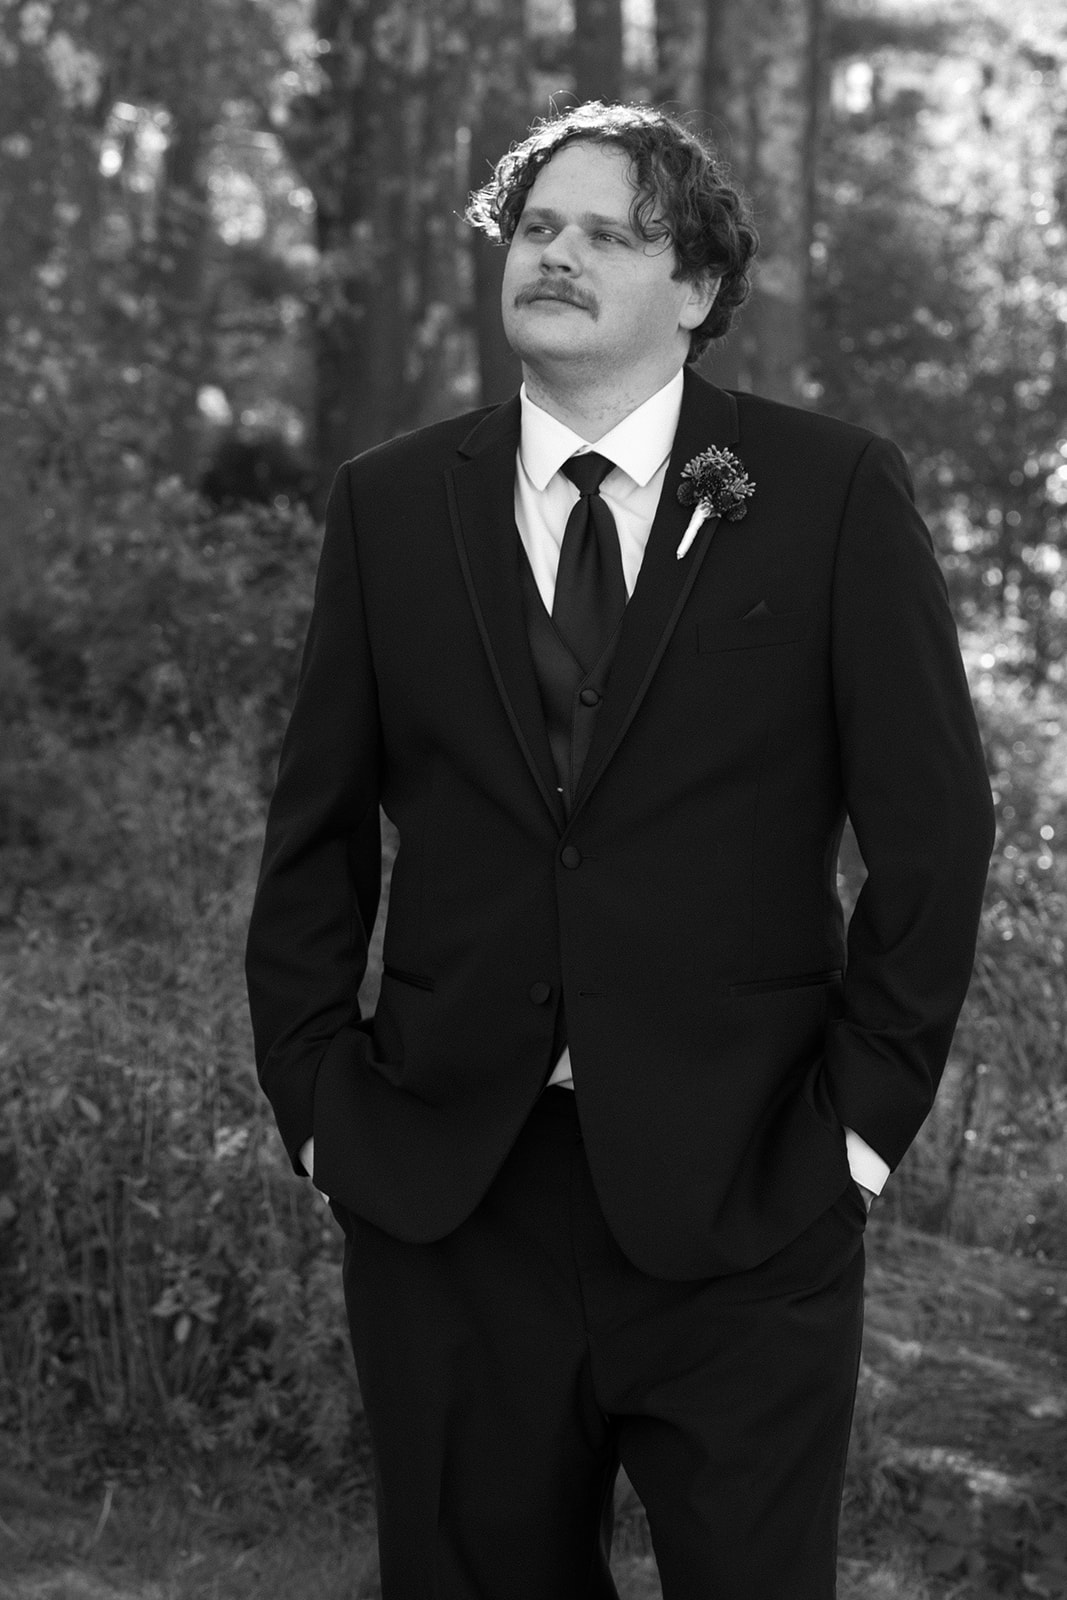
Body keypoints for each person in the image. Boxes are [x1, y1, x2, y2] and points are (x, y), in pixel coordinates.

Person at [245, 101, 994, 1599]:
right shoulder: (391, 506)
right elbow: (315, 834)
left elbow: (934, 831)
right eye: (536, 229)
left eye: (608, 233)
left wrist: (854, 1133)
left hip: (749, 1191)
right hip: (450, 1197)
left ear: (699, 288)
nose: (558, 254)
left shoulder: (830, 491)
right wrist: (325, 1109)